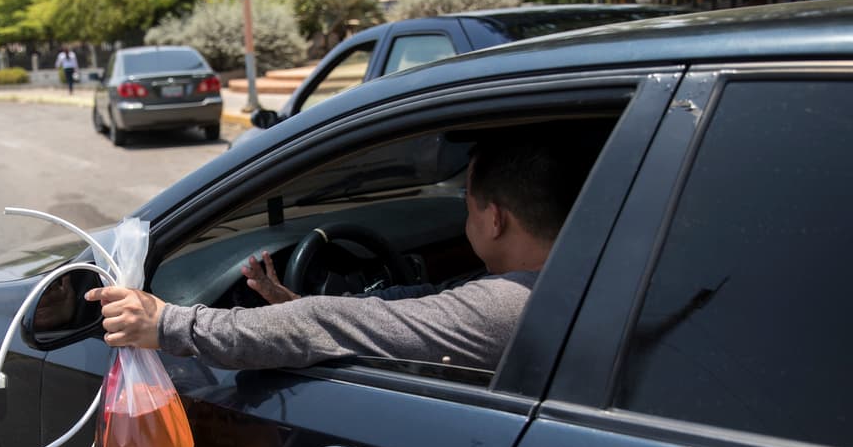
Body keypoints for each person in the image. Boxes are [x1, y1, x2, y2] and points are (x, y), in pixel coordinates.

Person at [85, 136, 590, 372]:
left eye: (469, 203)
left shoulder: (513, 307)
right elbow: (417, 303)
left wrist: (168, 322)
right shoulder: (585, 277)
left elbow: (329, 323)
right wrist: (291, 299)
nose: (466, 215)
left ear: (496, 219)